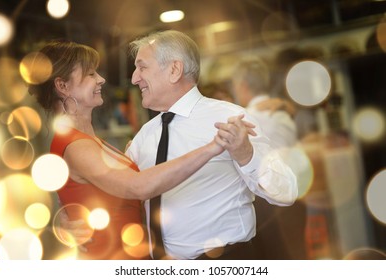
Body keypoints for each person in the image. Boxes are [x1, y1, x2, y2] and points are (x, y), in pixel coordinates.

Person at [27, 39, 247, 260]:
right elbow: (139, 187)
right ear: (62, 86)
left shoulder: (91, 142)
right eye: (91, 74)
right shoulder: (75, 146)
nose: (101, 79)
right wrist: (212, 147)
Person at [126, 30, 298, 260]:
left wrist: (246, 154)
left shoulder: (231, 118)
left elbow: (286, 191)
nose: (134, 78)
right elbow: (124, 196)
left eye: (142, 67)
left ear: (174, 70)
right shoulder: (143, 137)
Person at [230, 58, 307, 259]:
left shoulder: (245, 119)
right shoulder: (283, 113)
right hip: (296, 196)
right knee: (298, 255)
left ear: (242, 85)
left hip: (267, 203)